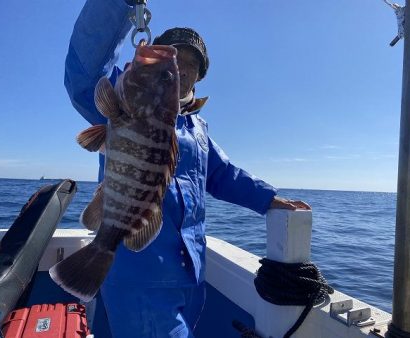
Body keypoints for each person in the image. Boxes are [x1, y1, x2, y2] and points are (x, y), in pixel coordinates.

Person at [64, 0, 311, 337]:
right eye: (176, 58)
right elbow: (83, 76)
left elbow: (221, 173)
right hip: (140, 276)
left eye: (193, 64)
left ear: (199, 76)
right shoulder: (121, 102)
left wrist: (268, 199)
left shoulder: (196, 128)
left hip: (190, 274)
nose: (183, 68)